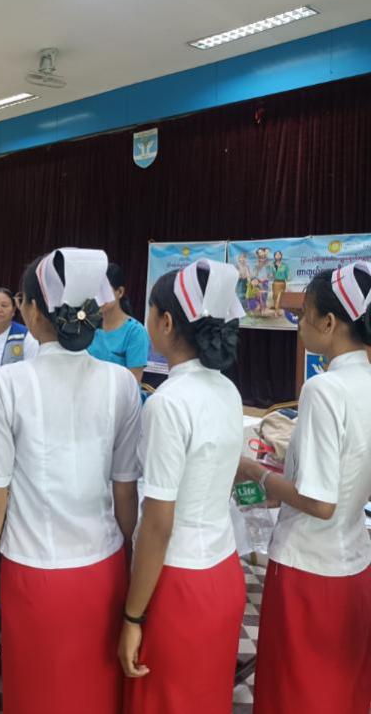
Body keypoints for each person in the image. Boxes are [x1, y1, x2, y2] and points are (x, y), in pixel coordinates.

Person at [0, 248, 142, 714]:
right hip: (104, 567)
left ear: (33, 312)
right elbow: (125, 489)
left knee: (40, 693)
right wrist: (130, 554)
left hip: (35, 572)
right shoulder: (122, 382)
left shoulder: (4, 384)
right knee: (95, 693)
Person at [237, 262, 371, 714]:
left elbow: (319, 501)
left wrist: (254, 472)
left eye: (304, 314)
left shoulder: (324, 389)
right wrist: (285, 478)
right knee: (339, 692)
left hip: (308, 569)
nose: (300, 324)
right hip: (354, 563)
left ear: (329, 323)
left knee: (296, 693)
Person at [119, 259, 246, 714]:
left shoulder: (168, 404)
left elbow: (158, 524)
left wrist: (132, 616)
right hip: (224, 573)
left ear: (167, 322)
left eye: (151, 312)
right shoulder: (228, 391)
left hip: (177, 585)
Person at [87, 263, 150, 383]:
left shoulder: (135, 332)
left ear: (120, 292)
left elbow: (133, 383)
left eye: (103, 290)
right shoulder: (89, 326)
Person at [269, 250, 289, 316]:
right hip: (275, 283)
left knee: (280, 297)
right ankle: (276, 311)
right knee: (275, 297)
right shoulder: (272, 265)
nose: (278, 256)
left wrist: (288, 285)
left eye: (279, 254)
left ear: (281, 256)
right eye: (276, 255)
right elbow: (270, 276)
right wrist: (270, 274)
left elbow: (287, 276)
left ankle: (277, 311)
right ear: (274, 256)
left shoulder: (285, 266)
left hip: (282, 283)